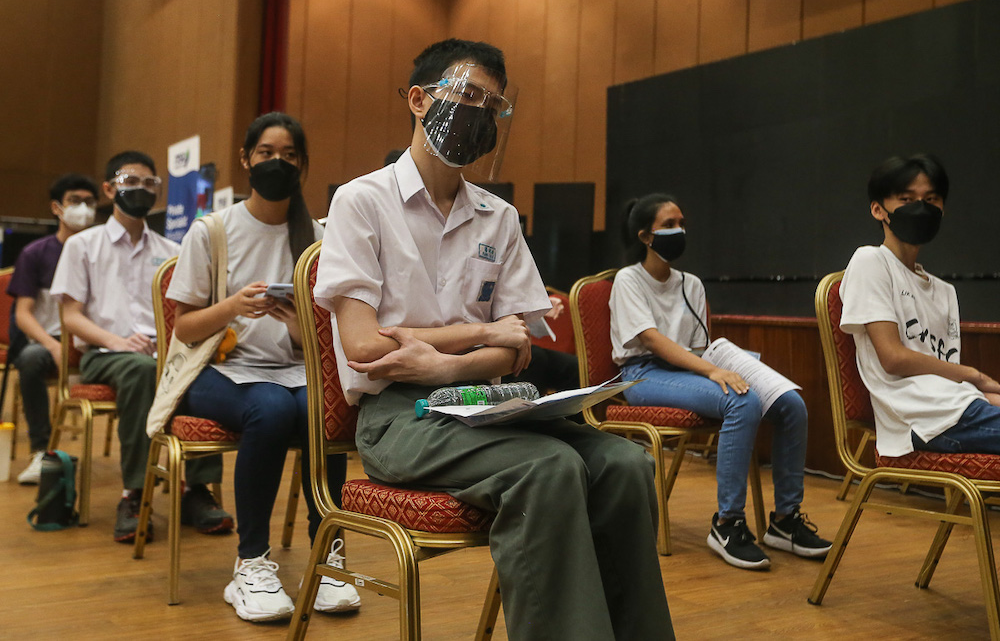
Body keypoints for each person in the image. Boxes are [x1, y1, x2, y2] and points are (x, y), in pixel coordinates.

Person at [316, 38, 674, 640]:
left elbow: (520, 349)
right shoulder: (361, 202)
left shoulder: (498, 217)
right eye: (468, 97)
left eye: (493, 104)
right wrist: (480, 334)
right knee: (550, 467)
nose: (481, 113)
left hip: (484, 404)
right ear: (418, 99)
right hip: (398, 419)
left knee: (625, 463)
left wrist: (441, 363)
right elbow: (365, 347)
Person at [168, 112, 359, 623]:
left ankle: (327, 559)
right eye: (267, 154)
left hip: (295, 369)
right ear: (246, 159)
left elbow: (321, 340)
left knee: (327, 410)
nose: (277, 164)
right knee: (271, 410)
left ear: (303, 166)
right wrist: (233, 305)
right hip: (219, 371)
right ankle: (250, 563)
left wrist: (296, 320)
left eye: (289, 156)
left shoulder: (319, 236)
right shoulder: (213, 230)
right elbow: (183, 329)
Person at [609, 193, 831, 571]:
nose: (679, 231)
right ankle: (727, 524)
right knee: (740, 401)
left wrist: (725, 363)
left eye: (682, 222)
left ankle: (785, 520)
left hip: (688, 369)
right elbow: (650, 339)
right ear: (646, 236)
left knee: (790, 404)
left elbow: (699, 345)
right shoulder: (628, 279)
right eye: (668, 225)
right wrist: (711, 371)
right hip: (642, 373)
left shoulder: (691, 283)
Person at [49, 151, 230, 542]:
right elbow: (71, 317)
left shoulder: (171, 250)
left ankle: (194, 489)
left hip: (162, 354)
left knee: (204, 374)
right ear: (110, 188)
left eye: (151, 184)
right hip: (104, 354)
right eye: (132, 182)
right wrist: (117, 341)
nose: (142, 190)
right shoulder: (83, 246)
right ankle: (134, 492)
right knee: (140, 371)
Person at [840, 154, 1000, 461]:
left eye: (931, 199)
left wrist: (980, 392)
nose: (920, 207)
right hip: (920, 420)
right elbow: (893, 358)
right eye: (906, 198)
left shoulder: (945, 290)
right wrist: (974, 376)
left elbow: (939, 375)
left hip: (956, 406)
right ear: (878, 209)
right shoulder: (870, 261)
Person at [9, 174, 98, 483]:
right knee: (31, 360)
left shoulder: (100, 251)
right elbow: (23, 315)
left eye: (89, 202)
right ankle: (40, 452)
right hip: (47, 339)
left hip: (92, 340)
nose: (83, 208)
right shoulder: (34, 253)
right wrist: (52, 345)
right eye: (75, 201)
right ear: (56, 208)